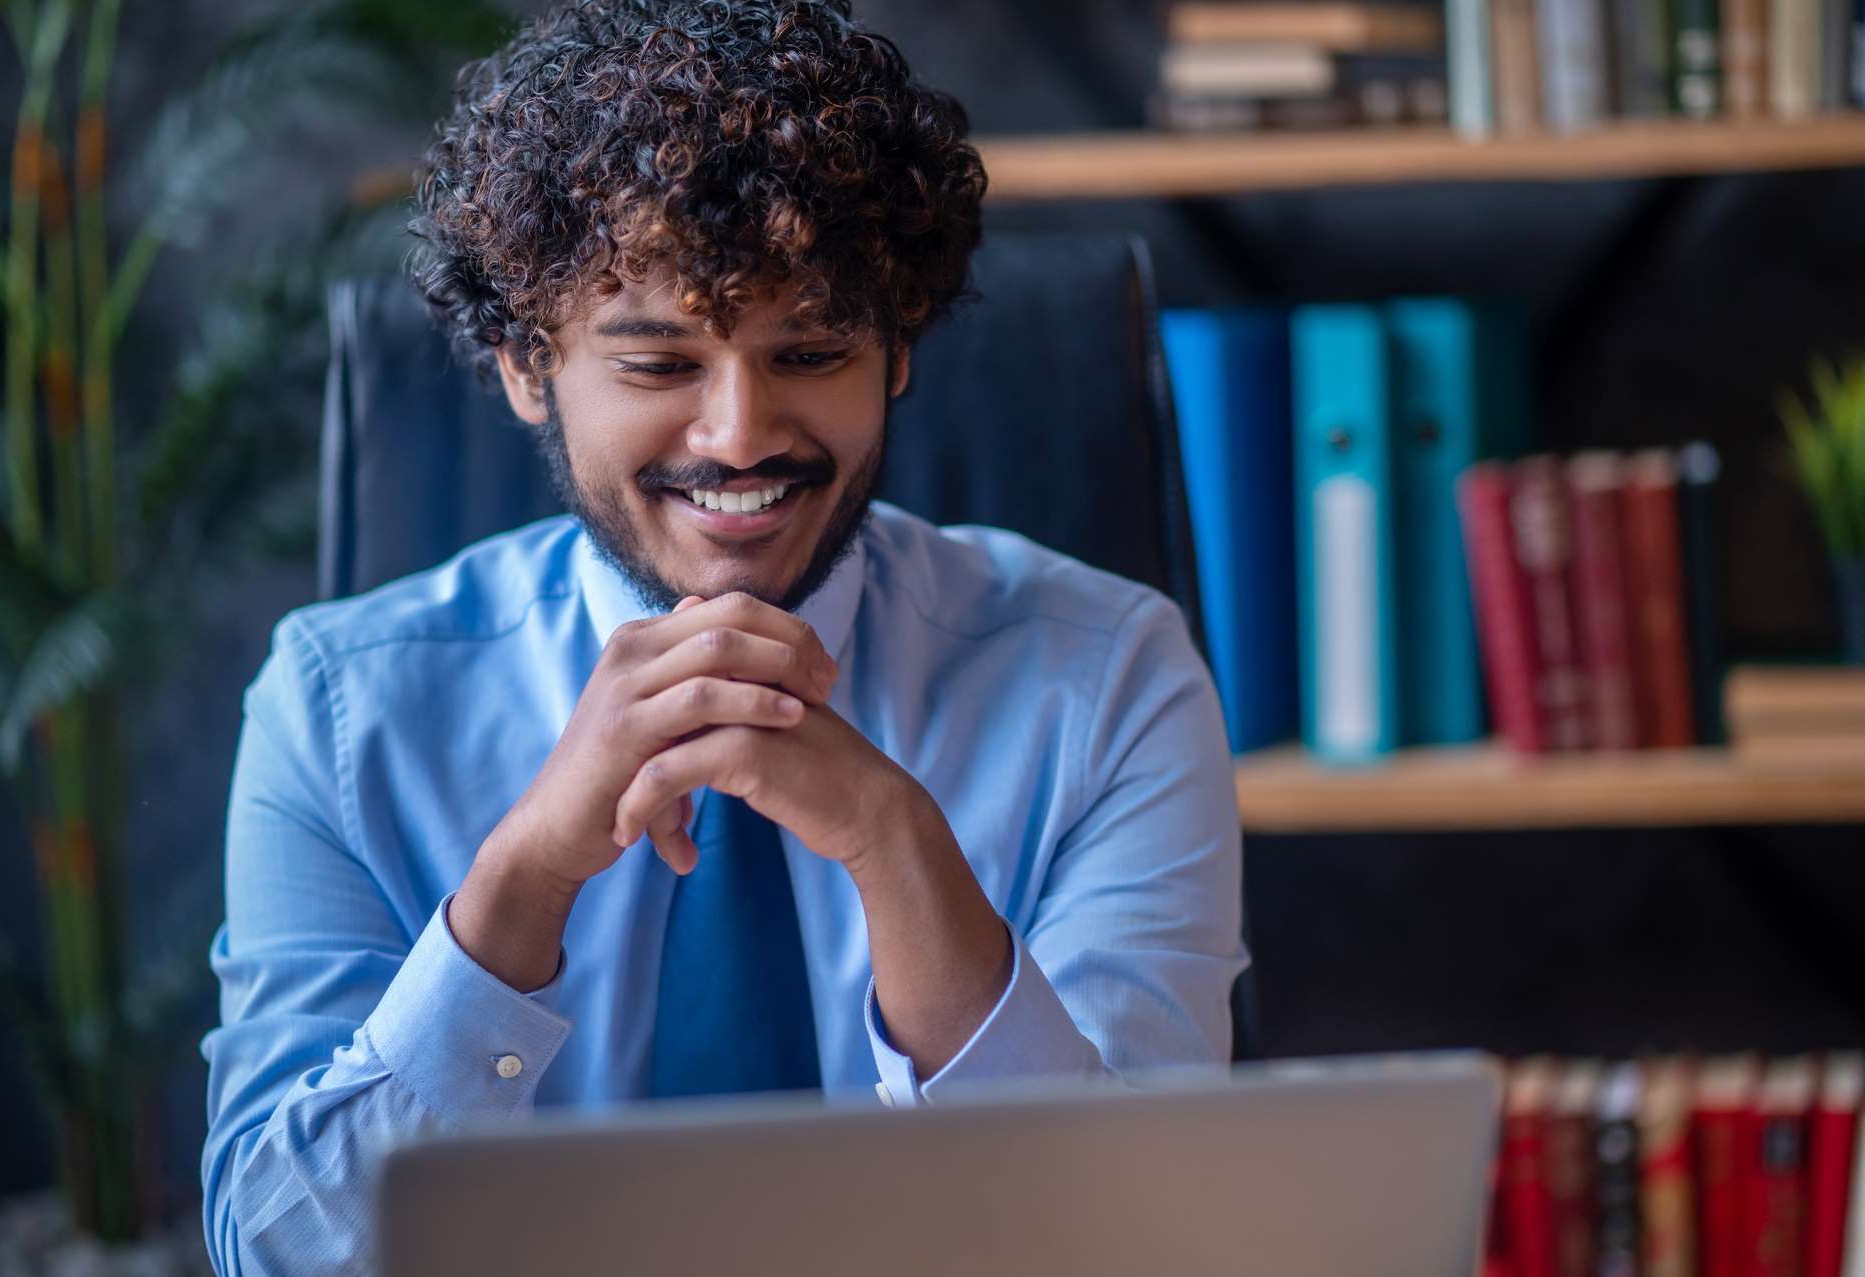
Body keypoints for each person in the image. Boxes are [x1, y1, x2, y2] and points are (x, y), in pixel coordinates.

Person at [200, 1, 1247, 1272]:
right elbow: (276, 1249)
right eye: (659, 365)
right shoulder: (337, 708)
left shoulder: (1110, 676)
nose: (742, 432)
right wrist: (522, 879)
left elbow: (1145, 1245)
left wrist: (895, 839)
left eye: (810, 349)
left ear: (898, 355)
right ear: (531, 366)